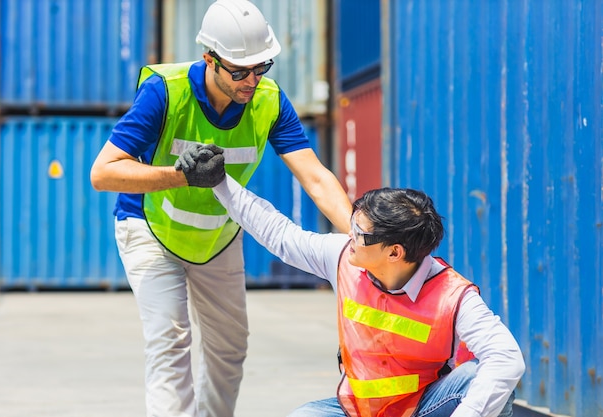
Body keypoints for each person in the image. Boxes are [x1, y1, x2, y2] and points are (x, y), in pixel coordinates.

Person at [89, 0, 352, 416]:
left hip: (218, 236)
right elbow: (103, 173)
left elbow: (315, 177)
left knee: (230, 348)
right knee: (170, 341)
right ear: (210, 59)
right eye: (240, 70)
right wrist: (181, 175)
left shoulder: (269, 100)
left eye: (262, 66)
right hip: (150, 227)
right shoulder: (164, 91)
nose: (252, 80)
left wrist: (359, 236)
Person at [182, 147, 526, 417]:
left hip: (424, 408)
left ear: (394, 252)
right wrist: (220, 183)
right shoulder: (345, 257)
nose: (350, 235)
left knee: (483, 378)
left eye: (361, 233)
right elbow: (280, 235)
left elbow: (508, 359)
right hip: (358, 410)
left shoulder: (454, 296)